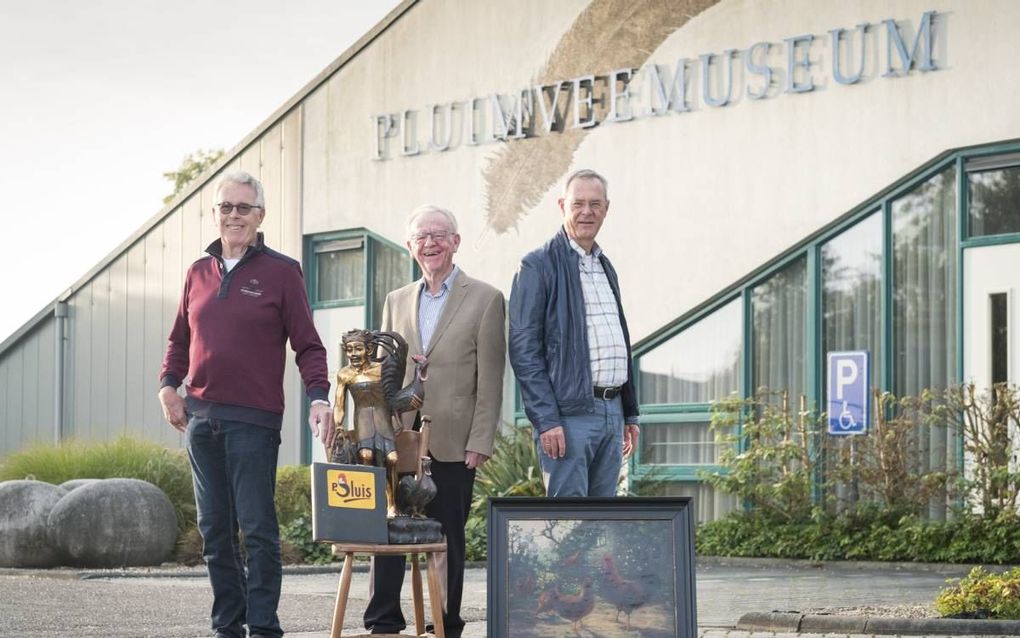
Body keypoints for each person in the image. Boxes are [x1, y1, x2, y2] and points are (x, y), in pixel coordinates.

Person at [158, 170, 333, 638]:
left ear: (260, 215)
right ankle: (227, 626)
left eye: (243, 208)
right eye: (226, 207)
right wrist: (168, 386)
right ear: (215, 214)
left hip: (253, 423)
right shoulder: (197, 272)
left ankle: (264, 627)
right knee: (215, 534)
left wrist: (319, 398)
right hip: (201, 420)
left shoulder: (281, 272)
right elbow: (179, 340)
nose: (234, 216)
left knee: (257, 531)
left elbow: (309, 346)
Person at [364, 205, 506, 638]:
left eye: (439, 235)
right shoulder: (396, 300)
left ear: (456, 242)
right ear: (410, 247)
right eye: (421, 237)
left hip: (454, 440)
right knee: (387, 531)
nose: (430, 243)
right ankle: (384, 621)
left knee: (446, 540)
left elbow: (491, 379)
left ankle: (443, 623)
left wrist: (480, 439)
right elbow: (385, 373)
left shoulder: (485, 298)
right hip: (400, 439)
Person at [508, 168, 640, 497]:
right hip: (568, 417)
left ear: (606, 209)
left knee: (601, 525)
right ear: (561, 206)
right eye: (578, 203)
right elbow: (524, 352)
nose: (586, 212)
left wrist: (630, 413)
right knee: (569, 526)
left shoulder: (604, 265)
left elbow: (618, 338)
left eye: (595, 204)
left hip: (612, 413)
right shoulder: (537, 265)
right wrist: (547, 419)